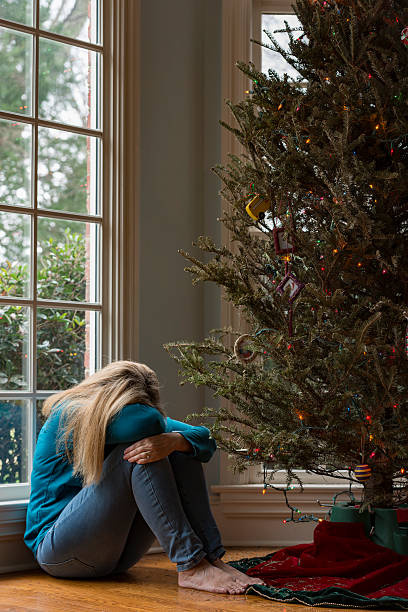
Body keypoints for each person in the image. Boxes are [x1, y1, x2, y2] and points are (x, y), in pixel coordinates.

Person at [24, 360, 264, 594]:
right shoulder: (70, 415)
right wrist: (166, 435)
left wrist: (176, 440)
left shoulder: (126, 421)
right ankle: (191, 566)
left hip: (116, 556)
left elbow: (206, 439)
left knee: (178, 448)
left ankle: (212, 559)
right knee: (144, 451)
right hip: (59, 552)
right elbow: (150, 422)